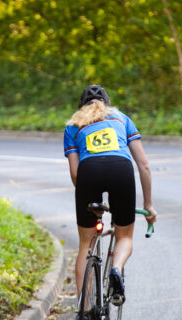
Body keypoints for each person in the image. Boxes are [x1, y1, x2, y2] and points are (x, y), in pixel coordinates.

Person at [64, 85, 157, 316]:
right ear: (107, 103)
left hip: (88, 173)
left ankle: (84, 310)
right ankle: (116, 268)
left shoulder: (73, 125)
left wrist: (87, 195)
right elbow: (143, 165)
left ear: (81, 106)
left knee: (86, 244)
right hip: (120, 170)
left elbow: (75, 174)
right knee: (124, 235)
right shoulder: (122, 119)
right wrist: (148, 205)